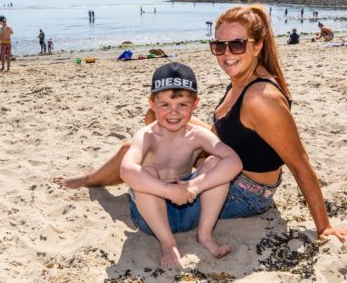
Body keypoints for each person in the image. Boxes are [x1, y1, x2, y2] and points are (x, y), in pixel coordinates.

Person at [56, 5, 347, 245]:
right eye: (220, 45)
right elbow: (228, 135)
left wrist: (325, 226)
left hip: (247, 191)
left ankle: (105, 183)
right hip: (226, 162)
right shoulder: (239, 80)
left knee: (143, 167)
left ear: (257, 46)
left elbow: (300, 163)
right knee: (151, 125)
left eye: (237, 45)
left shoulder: (260, 98)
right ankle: (90, 179)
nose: (227, 54)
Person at [56, 63, 242, 267]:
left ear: (195, 104)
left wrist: (194, 186)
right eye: (165, 105)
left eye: (183, 105)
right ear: (152, 103)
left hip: (190, 204)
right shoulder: (147, 136)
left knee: (215, 161)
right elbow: (126, 170)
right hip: (154, 217)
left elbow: (234, 161)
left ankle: (205, 235)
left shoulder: (198, 136)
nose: (174, 113)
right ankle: (168, 244)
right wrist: (167, 191)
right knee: (145, 172)